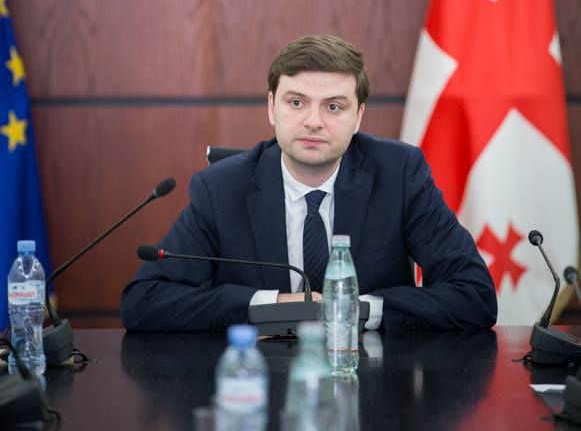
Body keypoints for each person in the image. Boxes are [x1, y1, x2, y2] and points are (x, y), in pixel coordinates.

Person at [121, 35, 497, 331]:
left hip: (372, 380)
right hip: (259, 381)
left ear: (358, 116)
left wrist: (352, 310)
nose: (313, 121)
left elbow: (474, 295)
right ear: (272, 108)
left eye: (333, 106)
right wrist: (270, 306)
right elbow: (144, 301)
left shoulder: (399, 175)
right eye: (297, 103)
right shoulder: (221, 188)